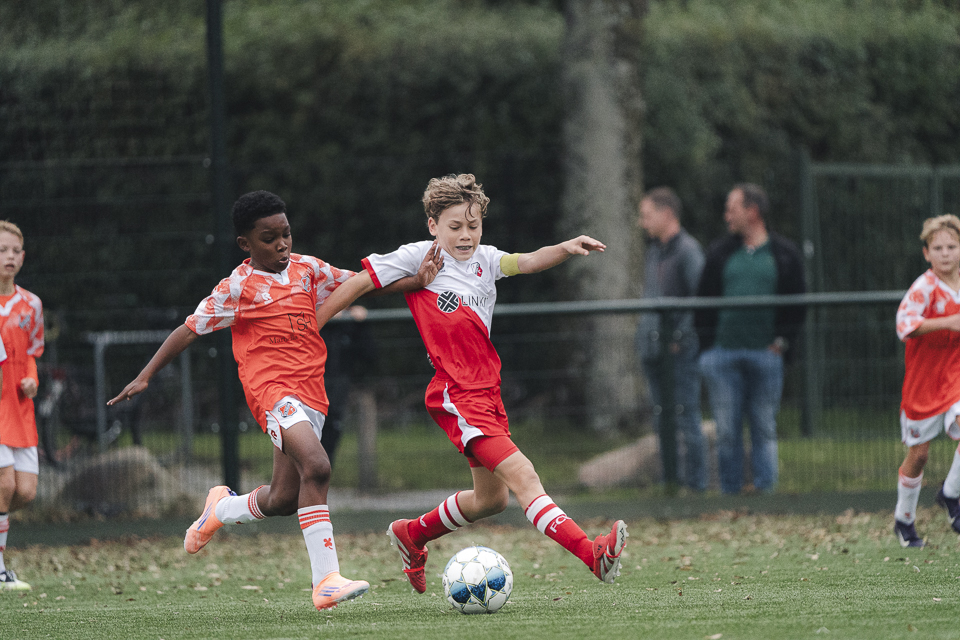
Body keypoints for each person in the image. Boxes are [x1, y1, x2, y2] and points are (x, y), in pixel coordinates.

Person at [108, 191, 441, 610]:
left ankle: (220, 508)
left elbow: (357, 287)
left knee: (283, 499)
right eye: (269, 238)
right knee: (317, 466)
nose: (282, 244)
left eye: (285, 234)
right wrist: (145, 376)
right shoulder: (238, 287)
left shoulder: (307, 269)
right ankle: (326, 582)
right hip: (272, 393)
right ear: (246, 244)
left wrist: (417, 281)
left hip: (311, 394)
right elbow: (190, 329)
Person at [315, 173, 628, 594]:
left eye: (474, 225)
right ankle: (593, 555)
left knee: (491, 500)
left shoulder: (487, 259)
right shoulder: (415, 256)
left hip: (488, 392)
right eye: (455, 226)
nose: (466, 236)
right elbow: (356, 283)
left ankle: (412, 534)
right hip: (456, 394)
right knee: (524, 475)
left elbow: (529, 259)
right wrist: (312, 327)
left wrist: (566, 248)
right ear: (433, 225)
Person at [695, 183, 805, 494]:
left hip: (767, 356)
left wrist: (782, 343)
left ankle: (766, 494)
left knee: (763, 427)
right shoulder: (720, 253)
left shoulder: (784, 254)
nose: (726, 215)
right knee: (727, 431)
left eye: (732, 208)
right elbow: (702, 302)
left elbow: (798, 303)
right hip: (722, 356)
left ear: (752, 211)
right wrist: (708, 350)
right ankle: (729, 495)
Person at [893, 214, 960, 548]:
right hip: (924, 385)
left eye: (952, 246)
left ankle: (951, 493)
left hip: (956, 377)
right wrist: (948, 322)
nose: (945, 253)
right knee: (918, 456)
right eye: (938, 248)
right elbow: (904, 325)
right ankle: (904, 521)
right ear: (926, 253)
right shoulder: (924, 287)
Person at [636, 187, 706, 491]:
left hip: (678, 352)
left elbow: (699, 299)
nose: (642, 223)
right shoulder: (654, 252)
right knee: (661, 418)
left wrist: (679, 336)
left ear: (667, 214)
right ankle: (670, 483)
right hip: (653, 349)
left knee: (686, 416)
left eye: (646, 215)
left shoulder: (688, 251)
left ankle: (695, 485)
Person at [0, 221, 43, 592]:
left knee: (24, 491)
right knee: (4, 482)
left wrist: (32, 379)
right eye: (2, 250)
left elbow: (31, 353)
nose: (9, 257)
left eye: (14, 250)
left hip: (20, 406)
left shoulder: (31, 305)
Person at [318, 305, 377, 467]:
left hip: (336, 399)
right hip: (311, 395)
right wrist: (326, 315)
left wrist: (361, 325)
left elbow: (369, 356)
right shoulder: (315, 320)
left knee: (328, 451)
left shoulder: (349, 326)